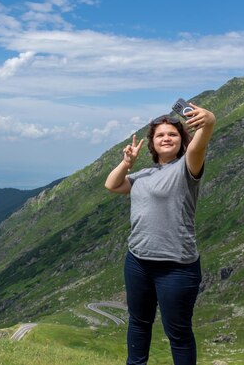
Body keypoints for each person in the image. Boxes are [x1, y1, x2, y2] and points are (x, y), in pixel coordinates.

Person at [104, 102, 216, 365]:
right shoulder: (143, 174)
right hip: (138, 262)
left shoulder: (187, 168)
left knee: (178, 333)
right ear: (152, 144)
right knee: (139, 323)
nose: (166, 138)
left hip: (176, 266)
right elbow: (112, 185)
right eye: (160, 135)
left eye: (173, 134)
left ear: (182, 140)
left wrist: (208, 121)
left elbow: (200, 144)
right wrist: (126, 163)